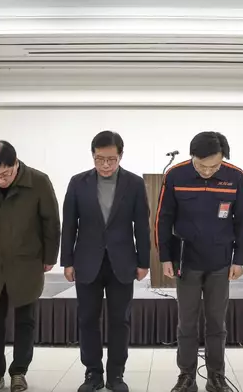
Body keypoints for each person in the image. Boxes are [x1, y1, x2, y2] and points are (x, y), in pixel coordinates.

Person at [156, 131, 243, 392]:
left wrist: (239, 258)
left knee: (216, 323)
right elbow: (163, 218)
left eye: (214, 166)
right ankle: (186, 376)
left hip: (220, 262)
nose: (207, 171)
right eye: (201, 165)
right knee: (186, 322)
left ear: (223, 159)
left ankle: (216, 376)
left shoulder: (235, 176)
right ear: (192, 158)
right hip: (186, 262)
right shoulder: (175, 175)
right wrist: (165, 256)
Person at [0, 140, 61, 392]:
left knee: (25, 319)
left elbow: (51, 221)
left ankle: (19, 371)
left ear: (16, 163)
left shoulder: (38, 181)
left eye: (5, 173)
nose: (0, 179)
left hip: (27, 260)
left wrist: (50, 256)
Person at [61, 131, 151, 392]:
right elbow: (69, 225)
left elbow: (141, 227)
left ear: (120, 156)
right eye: (100, 159)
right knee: (87, 319)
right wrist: (66, 260)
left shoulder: (133, 184)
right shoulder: (78, 183)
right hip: (86, 261)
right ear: (93, 156)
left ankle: (116, 375)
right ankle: (93, 373)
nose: (105, 165)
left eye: (111, 159)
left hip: (122, 262)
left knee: (119, 320)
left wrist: (144, 261)